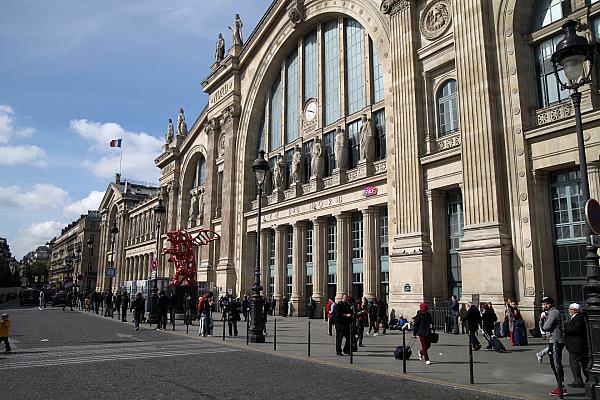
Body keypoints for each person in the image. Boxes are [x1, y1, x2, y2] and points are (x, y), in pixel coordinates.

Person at [541, 296, 567, 397]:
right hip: (554, 339)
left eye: (546, 303)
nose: (544, 305)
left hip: (556, 340)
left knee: (556, 363)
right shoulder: (551, 313)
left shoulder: (553, 312)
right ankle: (560, 386)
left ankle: (561, 387)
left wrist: (544, 321)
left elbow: (546, 327)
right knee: (554, 363)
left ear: (551, 304)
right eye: (543, 304)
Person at [564, 303, 589, 388]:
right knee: (583, 362)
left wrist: (566, 329)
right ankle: (587, 379)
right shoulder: (577, 317)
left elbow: (576, 328)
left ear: (574, 310)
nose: (568, 311)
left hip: (576, 345)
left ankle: (578, 381)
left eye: (570, 309)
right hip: (577, 345)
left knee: (574, 363)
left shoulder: (578, 317)